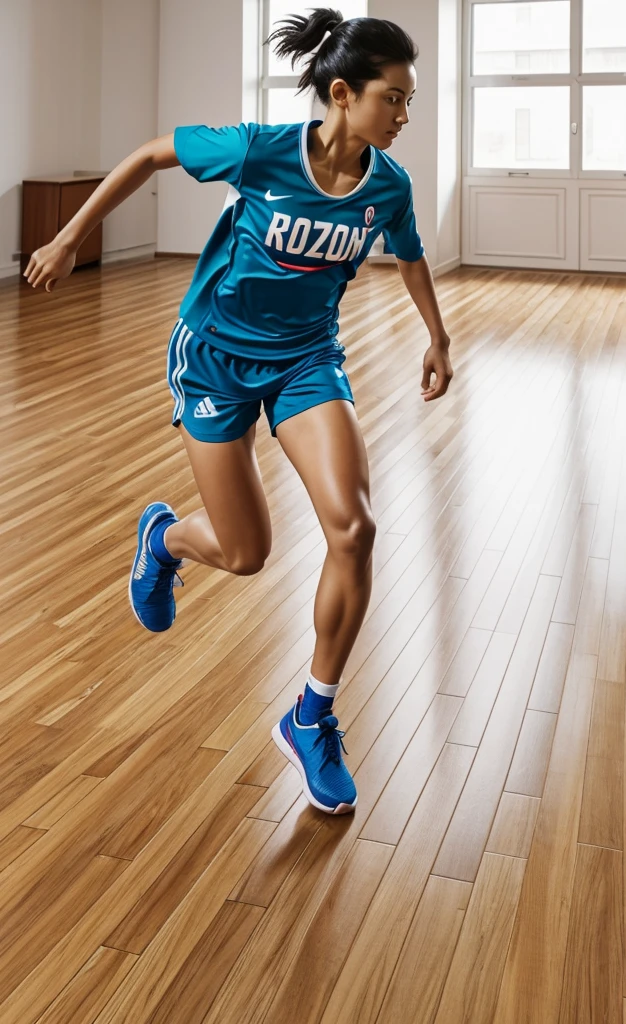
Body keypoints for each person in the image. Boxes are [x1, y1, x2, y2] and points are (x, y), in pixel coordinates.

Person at [23, 8, 454, 816]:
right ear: (342, 93)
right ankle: (165, 539)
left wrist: (438, 335)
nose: (404, 115)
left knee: (354, 530)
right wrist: (72, 234)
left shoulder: (386, 185)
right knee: (247, 553)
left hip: (306, 362)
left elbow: (410, 251)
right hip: (215, 355)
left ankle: (311, 714)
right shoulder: (263, 150)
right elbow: (154, 154)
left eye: (409, 100)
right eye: (393, 99)